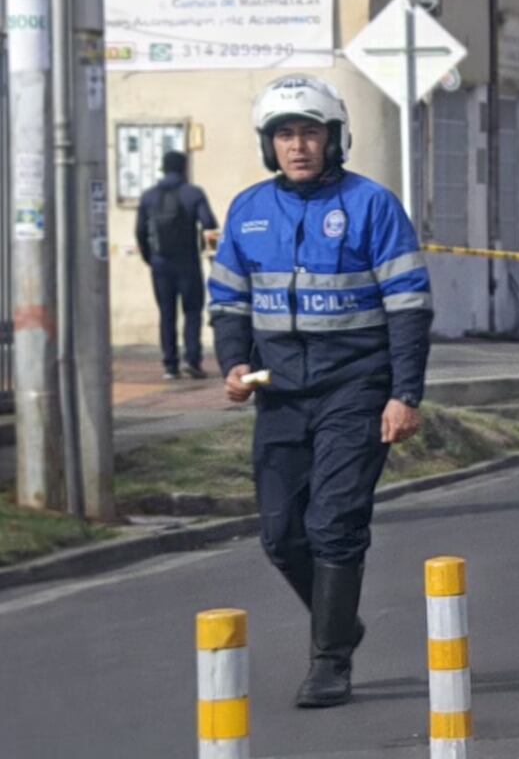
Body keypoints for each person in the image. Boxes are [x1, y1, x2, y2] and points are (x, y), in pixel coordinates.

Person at [207, 75, 434, 708]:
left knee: (334, 522)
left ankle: (329, 661)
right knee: (281, 535)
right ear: (268, 145)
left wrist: (404, 394)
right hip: (278, 388)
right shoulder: (248, 210)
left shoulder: (373, 205)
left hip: (357, 385)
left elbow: (410, 306)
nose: (298, 146)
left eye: (309, 132)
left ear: (334, 139)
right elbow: (229, 301)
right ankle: (341, 617)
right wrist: (234, 365)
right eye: (285, 134)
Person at [135, 149, 218, 379]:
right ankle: (192, 360)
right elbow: (209, 224)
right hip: (188, 262)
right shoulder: (193, 193)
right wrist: (209, 254)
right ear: (184, 168)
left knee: (166, 313)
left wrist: (150, 258)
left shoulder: (149, 196)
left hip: (160, 264)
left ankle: (169, 365)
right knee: (192, 312)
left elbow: (140, 231)